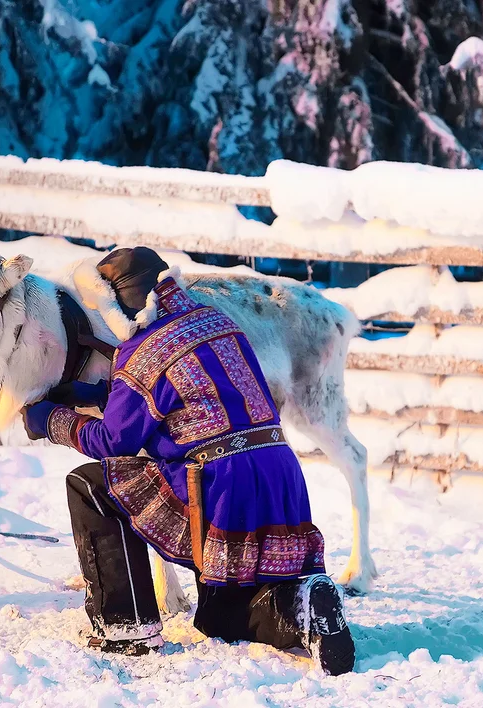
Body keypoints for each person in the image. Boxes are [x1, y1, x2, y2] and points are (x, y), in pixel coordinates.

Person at [21, 247, 355, 675]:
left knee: (90, 486)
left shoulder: (144, 351)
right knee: (217, 617)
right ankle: (300, 606)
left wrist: (51, 420)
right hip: (278, 472)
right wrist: (93, 396)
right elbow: (191, 396)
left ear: (118, 306)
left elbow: (113, 440)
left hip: (218, 483)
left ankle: (127, 626)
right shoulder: (218, 324)